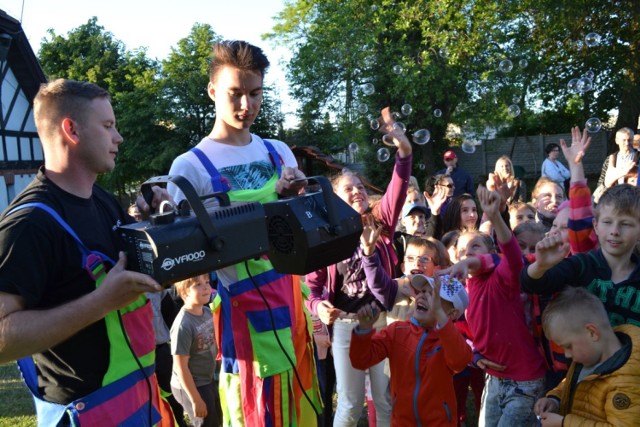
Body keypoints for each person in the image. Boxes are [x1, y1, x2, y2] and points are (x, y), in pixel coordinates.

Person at [0, 79, 173, 426]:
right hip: (85, 415)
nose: (118, 137)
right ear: (71, 130)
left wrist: (167, 226)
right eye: (108, 126)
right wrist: (102, 302)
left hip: (139, 401)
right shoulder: (29, 223)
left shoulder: (103, 201)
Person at [167, 40, 321, 426]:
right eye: (235, 94)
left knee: (301, 409)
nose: (246, 106)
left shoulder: (279, 151)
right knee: (255, 411)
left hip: (292, 299)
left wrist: (295, 199)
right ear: (213, 91)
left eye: (255, 94)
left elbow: (305, 230)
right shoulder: (190, 167)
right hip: (243, 312)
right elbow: (188, 259)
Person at [306, 111, 412, 426]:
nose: (358, 192)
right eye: (348, 189)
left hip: (381, 321)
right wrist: (317, 307)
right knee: (350, 405)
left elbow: (399, 185)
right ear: (335, 200)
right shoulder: (326, 239)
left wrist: (404, 152)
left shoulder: (382, 225)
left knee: (384, 399)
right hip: (345, 325)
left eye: (360, 187)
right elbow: (311, 288)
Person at [443, 186, 546, 426]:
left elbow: (512, 256)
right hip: (494, 377)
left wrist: (496, 216)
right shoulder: (463, 290)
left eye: (475, 248)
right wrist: (476, 355)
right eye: (462, 251)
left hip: (524, 380)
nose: (467, 254)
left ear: (491, 252)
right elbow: (460, 333)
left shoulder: (502, 279)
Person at [349, 275, 472, 426]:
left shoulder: (450, 341)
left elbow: (460, 361)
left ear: (452, 313)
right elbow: (361, 361)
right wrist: (364, 330)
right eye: (423, 291)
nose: (422, 296)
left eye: (433, 295)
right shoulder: (397, 331)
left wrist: (439, 313)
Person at [521, 183, 640, 327]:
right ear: (596, 225)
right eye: (607, 222)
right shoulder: (581, 265)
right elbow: (530, 284)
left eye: (626, 224)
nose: (615, 231)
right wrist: (540, 266)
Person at [534, 287, 640, 426]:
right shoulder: (589, 355)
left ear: (592, 332)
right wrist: (554, 399)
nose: (567, 354)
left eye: (568, 346)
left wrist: (564, 423)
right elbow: (572, 383)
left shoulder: (626, 383)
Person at [170, 274, 220, 427]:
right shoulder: (183, 325)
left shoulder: (206, 312)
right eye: (198, 284)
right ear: (184, 293)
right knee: (206, 423)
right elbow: (181, 367)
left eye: (206, 282)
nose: (205, 287)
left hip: (207, 379)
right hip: (191, 386)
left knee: (217, 419)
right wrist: (195, 399)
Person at [593, 127, 639, 203]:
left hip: (635, 200)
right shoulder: (611, 159)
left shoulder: (638, 157)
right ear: (617, 141)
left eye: (630, 140)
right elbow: (602, 181)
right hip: (616, 199)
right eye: (624, 140)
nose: (627, 143)